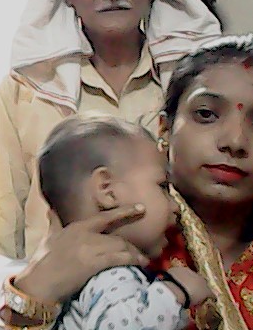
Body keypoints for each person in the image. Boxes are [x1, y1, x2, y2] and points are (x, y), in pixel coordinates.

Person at [0, 36, 253, 329]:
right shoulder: (105, 249)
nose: (234, 141)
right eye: (206, 114)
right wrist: (32, 294)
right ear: (165, 130)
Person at [0, 0, 222, 259]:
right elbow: (4, 217)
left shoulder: (193, 86)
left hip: (177, 281)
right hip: (60, 286)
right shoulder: (25, 89)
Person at [38, 113, 213, 329]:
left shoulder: (73, 279)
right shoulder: (111, 275)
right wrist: (176, 291)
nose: (175, 206)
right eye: (162, 186)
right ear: (108, 191)